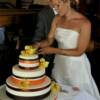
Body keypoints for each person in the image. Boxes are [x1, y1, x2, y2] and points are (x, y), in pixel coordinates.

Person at [33, 0, 100, 99]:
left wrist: (53, 50)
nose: (55, 8)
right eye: (53, 6)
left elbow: (79, 52)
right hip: (60, 64)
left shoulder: (85, 23)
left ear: (67, 2)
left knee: (77, 95)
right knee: (58, 93)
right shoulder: (57, 18)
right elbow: (49, 40)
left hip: (76, 66)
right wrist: (38, 44)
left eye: (57, 5)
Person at [32, 0, 58, 77]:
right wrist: (36, 46)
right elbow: (39, 34)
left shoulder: (72, 13)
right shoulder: (43, 14)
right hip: (50, 54)